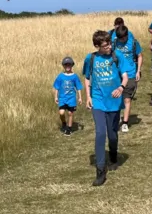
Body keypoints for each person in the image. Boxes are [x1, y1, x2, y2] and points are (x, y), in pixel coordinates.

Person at [83, 30, 133, 187]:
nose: (109, 47)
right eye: (105, 46)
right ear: (97, 46)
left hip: (113, 101)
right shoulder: (91, 58)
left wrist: (121, 87)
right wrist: (88, 97)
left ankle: (113, 154)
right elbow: (86, 78)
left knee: (112, 135)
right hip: (98, 101)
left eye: (110, 43)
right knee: (100, 133)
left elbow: (125, 76)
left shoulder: (117, 56)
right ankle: (100, 170)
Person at [112, 25, 143, 133]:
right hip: (117, 75)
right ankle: (115, 120)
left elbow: (139, 56)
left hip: (130, 74)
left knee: (127, 99)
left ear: (126, 35)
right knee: (116, 98)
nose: (121, 40)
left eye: (123, 38)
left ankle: (125, 123)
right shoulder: (114, 43)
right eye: (119, 38)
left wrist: (138, 71)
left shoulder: (133, 42)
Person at [53, 56, 83, 136]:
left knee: (70, 113)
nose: (67, 66)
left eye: (69, 65)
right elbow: (56, 87)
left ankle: (69, 129)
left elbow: (78, 87)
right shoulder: (60, 76)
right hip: (62, 98)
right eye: (66, 65)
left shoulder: (75, 76)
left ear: (72, 65)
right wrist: (56, 97)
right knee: (61, 113)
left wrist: (80, 97)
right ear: (63, 66)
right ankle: (64, 123)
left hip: (71, 98)